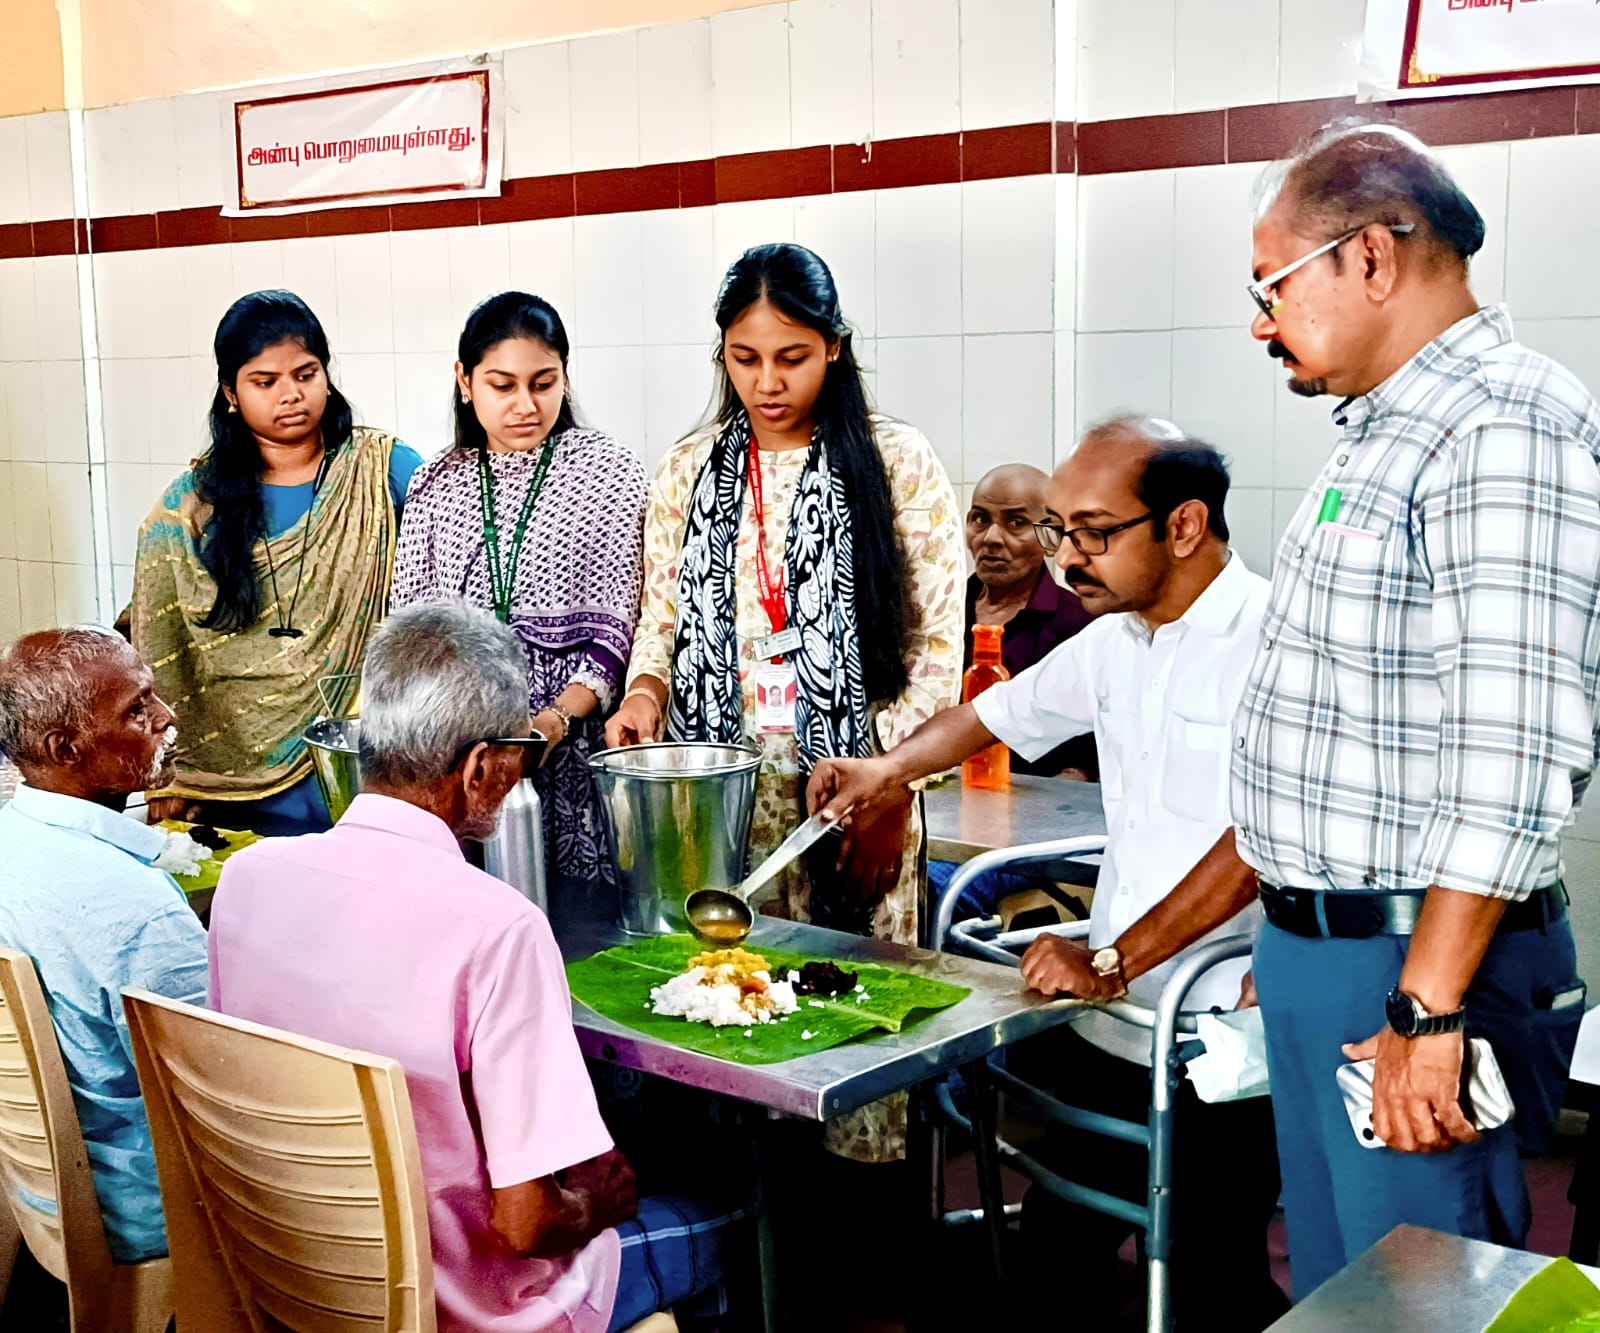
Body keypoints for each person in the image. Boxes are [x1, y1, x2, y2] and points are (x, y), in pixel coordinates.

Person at [1115, 123, 1599, 1300]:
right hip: (1322, 951)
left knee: (1414, 1291)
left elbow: (1512, 745)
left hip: (1410, 962)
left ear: (1370, 258)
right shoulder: (1382, 429)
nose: (1258, 319)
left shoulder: (1502, 421)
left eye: (1270, 285)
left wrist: (1425, 1013)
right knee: (1344, 1288)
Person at [808, 416, 1288, 1331]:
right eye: (1061, 530)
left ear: (1183, 526)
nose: (1068, 557)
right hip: (1114, 1018)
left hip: (1220, 1024)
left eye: (1093, 532)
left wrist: (1110, 961)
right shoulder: (1119, 638)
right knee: (1053, 1253)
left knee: (1209, 1275)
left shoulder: (1270, 645)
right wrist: (884, 770)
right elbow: (998, 713)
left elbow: (1254, 851)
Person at [208, 599, 736, 1333]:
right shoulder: (499, 928)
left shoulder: (249, 880)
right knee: (729, 1216)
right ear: (482, 767)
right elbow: (525, 1223)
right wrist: (598, 1203)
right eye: (522, 743)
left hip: (293, 1273)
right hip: (473, 1310)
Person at [605, 242, 964, 1167]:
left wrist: (889, 790)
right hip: (732, 805)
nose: (768, 382)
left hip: (857, 791)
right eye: (745, 358)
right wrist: (646, 693)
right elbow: (662, 622)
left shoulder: (897, 462)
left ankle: (861, 1261)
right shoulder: (687, 470)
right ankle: (760, 1250)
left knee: (855, 1035)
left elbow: (935, 654)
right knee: (740, 1026)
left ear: (836, 347)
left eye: (792, 357)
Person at [132, 290, 423, 836]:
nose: (291, 394)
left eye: (306, 374)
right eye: (266, 382)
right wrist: (168, 778)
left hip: (359, 759)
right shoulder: (188, 507)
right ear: (231, 394)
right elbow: (161, 640)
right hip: (224, 785)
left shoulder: (381, 470)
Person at [394, 292, 646, 884]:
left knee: (575, 933)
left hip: (574, 751)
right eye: (502, 386)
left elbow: (620, 626)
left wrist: (552, 722)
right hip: (461, 759)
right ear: (465, 381)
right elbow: (411, 632)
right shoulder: (436, 481)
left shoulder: (608, 471)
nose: (526, 405)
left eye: (544, 383)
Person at [0, 629, 209, 1262]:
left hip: (43, 1194)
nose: (167, 717)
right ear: (65, 748)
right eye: (138, 709)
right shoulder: (136, 910)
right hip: (147, 1210)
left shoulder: (13, 839)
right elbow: (214, 1109)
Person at [963, 462, 1096, 779]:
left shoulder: (1081, 626)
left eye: (1016, 523)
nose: (991, 538)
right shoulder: (937, 614)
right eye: (980, 519)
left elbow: (1097, 755)